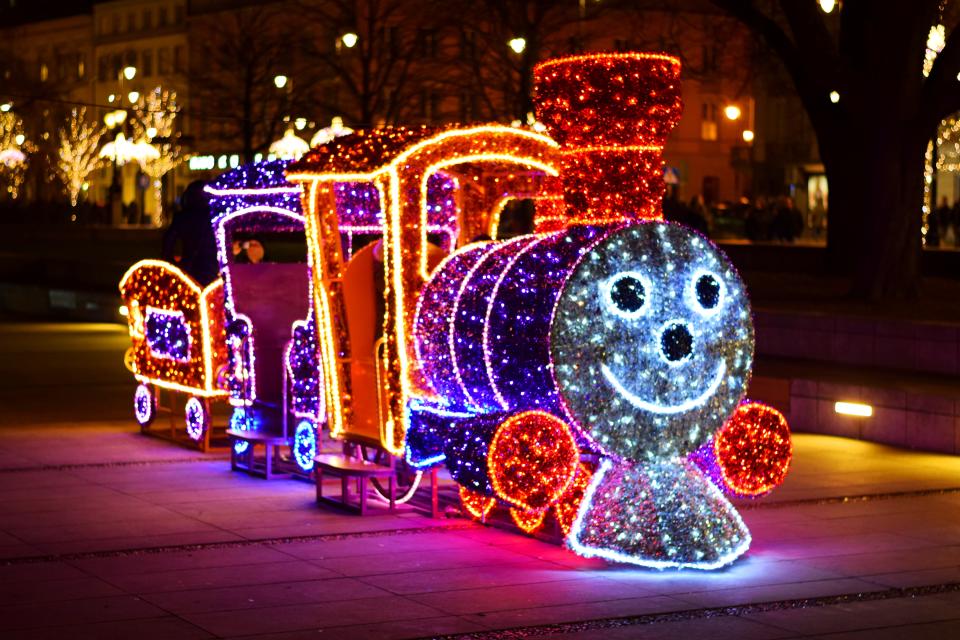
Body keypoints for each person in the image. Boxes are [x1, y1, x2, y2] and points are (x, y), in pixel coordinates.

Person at [161, 180, 219, 284]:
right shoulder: (215, 218)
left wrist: (172, 263)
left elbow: (168, 242)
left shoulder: (182, 218)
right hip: (212, 268)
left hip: (189, 266)